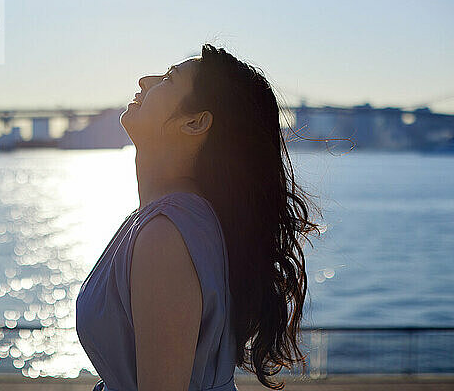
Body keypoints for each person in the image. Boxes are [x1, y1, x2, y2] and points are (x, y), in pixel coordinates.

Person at [75, 44, 323, 391]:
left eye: (168, 79)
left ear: (195, 122)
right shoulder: (178, 221)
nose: (145, 80)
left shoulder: (166, 235)